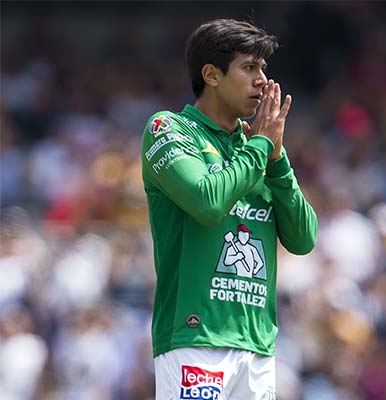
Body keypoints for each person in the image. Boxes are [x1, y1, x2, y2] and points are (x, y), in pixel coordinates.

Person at [140, 19, 318, 400]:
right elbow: (207, 202)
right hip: (196, 338)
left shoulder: (259, 149)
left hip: (257, 347)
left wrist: (277, 160)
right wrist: (258, 149)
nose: (262, 81)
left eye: (263, 70)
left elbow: (303, 239)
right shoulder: (169, 129)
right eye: (249, 68)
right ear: (211, 75)